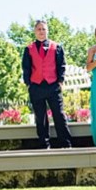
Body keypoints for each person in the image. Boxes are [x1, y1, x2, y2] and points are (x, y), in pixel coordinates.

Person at [22, 19, 72, 149]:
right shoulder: (29, 49)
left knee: (59, 114)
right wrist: (28, 84)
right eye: (39, 29)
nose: (41, 31)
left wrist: (60, 81)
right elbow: (26, 68)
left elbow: (61, 65)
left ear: (47, 31)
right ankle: (44, 144)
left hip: (53, 85)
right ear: (35, 31)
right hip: (36, 86)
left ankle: (65, 144)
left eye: (43, 29)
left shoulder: (57, 47)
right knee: (40, 116)